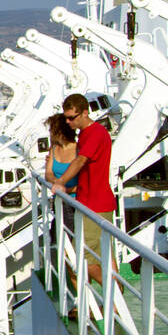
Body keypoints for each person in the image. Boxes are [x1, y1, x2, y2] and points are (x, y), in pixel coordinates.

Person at [49, 93, 116, 287]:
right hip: (91, 202)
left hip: (96, 205)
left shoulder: (95, 133)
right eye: (66, 117)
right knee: (106, 257)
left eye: (72, 117)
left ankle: (114, 298)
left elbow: (81, 160)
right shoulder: (86, 134)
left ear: (85, 113)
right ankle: (116, 305)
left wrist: (60, 181)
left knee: (82, 258)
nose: (68, 121)